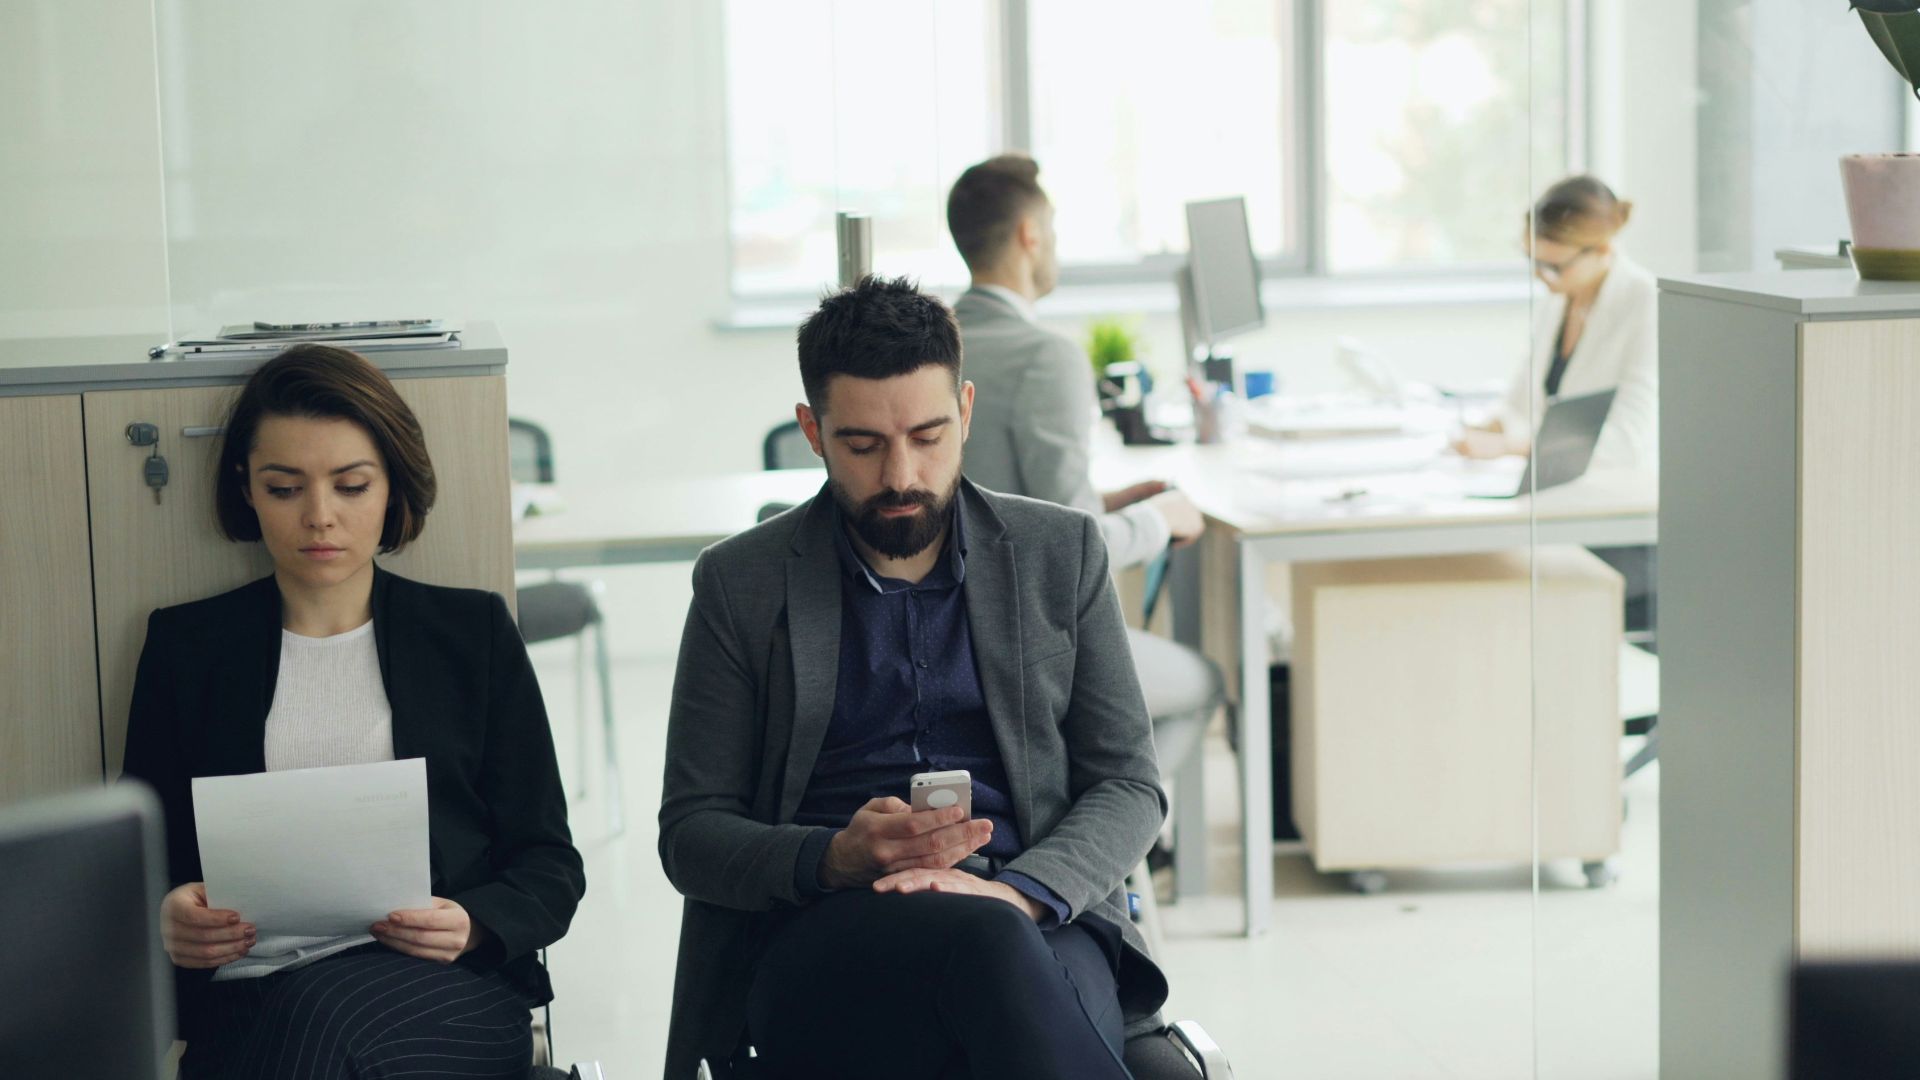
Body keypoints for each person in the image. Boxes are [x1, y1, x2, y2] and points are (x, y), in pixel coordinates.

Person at [658, 275, 1169, 1080]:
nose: (902, 474)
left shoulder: (1058, 552)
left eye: (929, 436)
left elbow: (1131, 783)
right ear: (813, 432)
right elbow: (691, 835)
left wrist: (1022, 892)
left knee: (994, 954)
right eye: (863, 445)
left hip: (1034, 912)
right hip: (827, 932)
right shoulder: (741, 583)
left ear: (965, 412)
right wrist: (833, 857)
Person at [121, 344, 585, 1079]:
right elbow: (137, 864)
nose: (319, 517)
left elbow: (549, 864)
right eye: (284, 488)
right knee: (301, 1024)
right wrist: (169, 912)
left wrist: (471, 925)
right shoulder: (186, 649)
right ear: (246, 489)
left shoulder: (471, 635)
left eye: (350, 485)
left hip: (444, 993)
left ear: (390, 486)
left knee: (321, 1021)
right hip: (249, 1000)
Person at [943, 153, 1205, 567]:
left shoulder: (933, 345)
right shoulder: (1044, 357)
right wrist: (1159, 519)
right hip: (1026, 625)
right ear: (1030, 235)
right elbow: (1070, 548)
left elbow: (998, 509)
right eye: (1053, 229)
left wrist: (1102, 503)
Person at [1454, 174, 1658, 472]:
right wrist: (1482, 430)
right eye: (1532, 260)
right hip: (1553, 484)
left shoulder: (1645, 301)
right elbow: (1521, 403)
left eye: (1553, 267)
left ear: (1602, 249)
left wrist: (1516, 446)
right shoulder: (1559, 297)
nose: (1540, 276)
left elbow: (1627, 441)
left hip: (1615, 489)